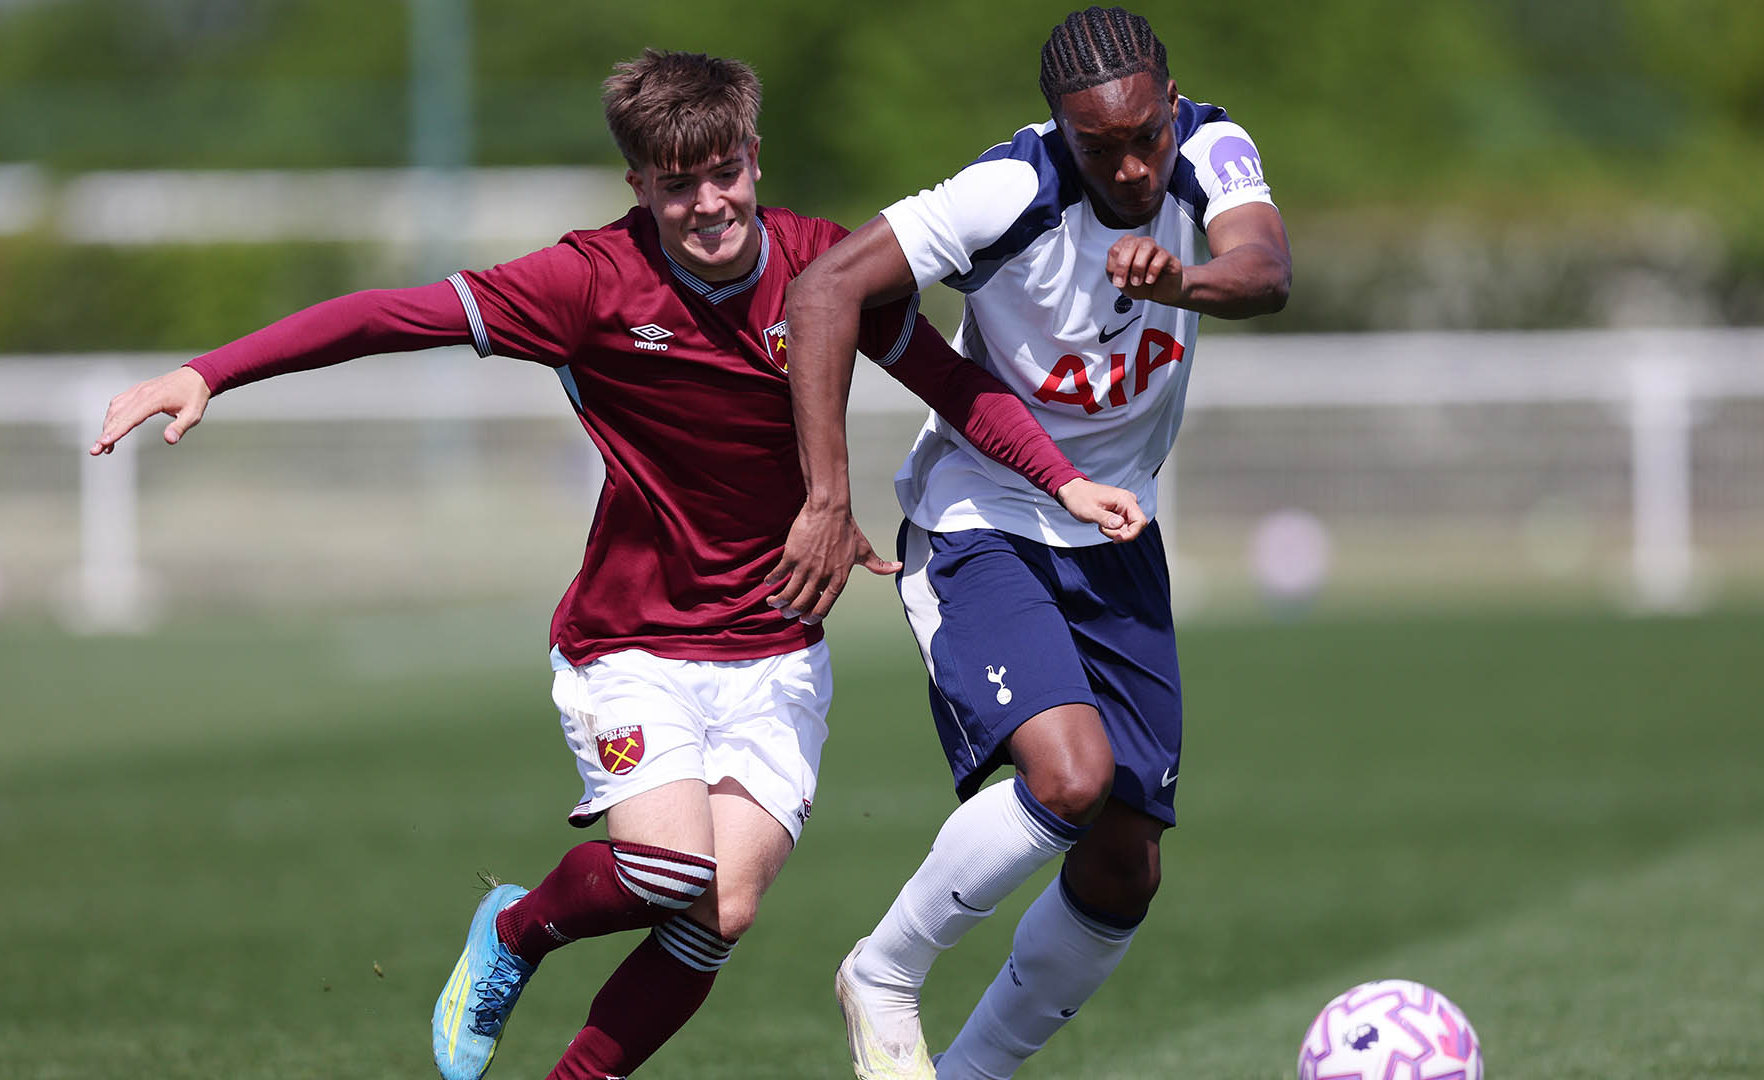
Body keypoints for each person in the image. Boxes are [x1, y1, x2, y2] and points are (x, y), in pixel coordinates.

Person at [88, 49, 1145, 1080]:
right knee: (668, 868)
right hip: (633, 639)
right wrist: (210, 372)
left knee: (721, 911)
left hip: (776, 647)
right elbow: (388, 316)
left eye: (724, 172)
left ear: (755, 157)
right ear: (637, 184)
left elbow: (952, 384)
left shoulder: (824, 266)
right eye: (678, 185)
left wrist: (1061, 481)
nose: (709, 204)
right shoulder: (589, 282)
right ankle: (517, 929)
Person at [774, 7, 1293, 1079]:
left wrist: (1182, 282)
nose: (1133, 167)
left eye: (1146, 135)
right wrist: (827, 497)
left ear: (1172, 103)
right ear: (1061, 130)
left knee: (1123, 867)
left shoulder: (1212, 148)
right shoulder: (1006, 190)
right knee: (1069, 776)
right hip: (984, 518)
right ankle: (883, 972)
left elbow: (1266, 269)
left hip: (1116, 527)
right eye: (1100, 148)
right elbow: (823, 288)